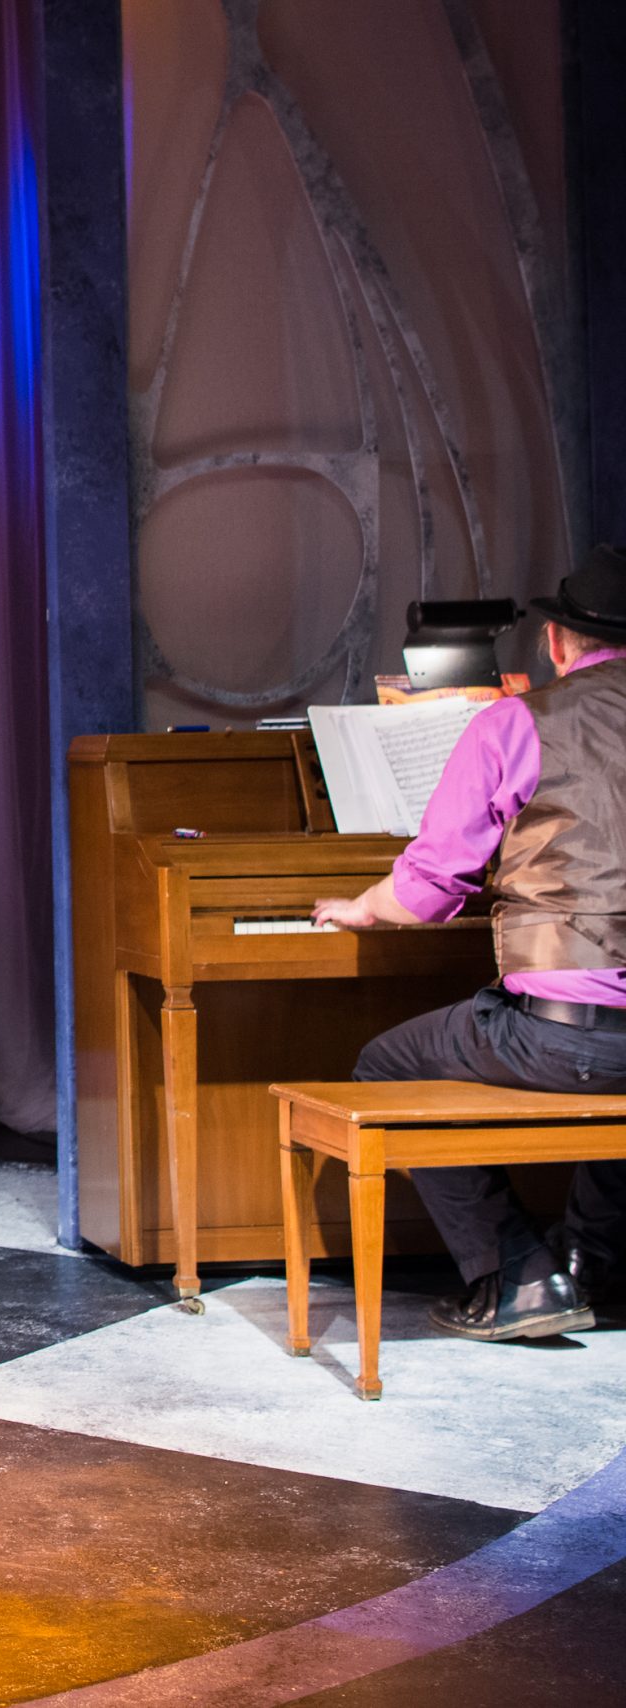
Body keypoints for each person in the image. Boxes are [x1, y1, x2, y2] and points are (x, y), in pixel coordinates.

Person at [315, 543, 626, 1339]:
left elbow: (426, 890)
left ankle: (518, 1276)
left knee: (387, 1066)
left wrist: (363, 906)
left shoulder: (518, 723)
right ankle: (592, 1264)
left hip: (564, 1039)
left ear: (555, 642)